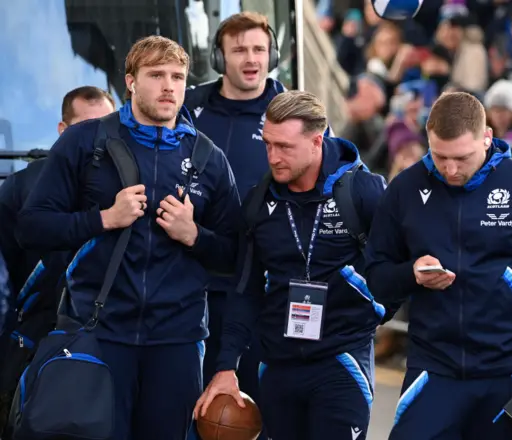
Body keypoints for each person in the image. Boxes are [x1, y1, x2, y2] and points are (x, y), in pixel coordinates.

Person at [16, 35, 242, 440]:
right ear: (131, 81)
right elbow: (32, 226)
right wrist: (103, 218)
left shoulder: (209, 159)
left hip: (178, 341)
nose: (169, 86)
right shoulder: (86, 143)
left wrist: (195, 236)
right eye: (156, 75)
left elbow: (236, 257)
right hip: (98, 333)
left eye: (177, 76)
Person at [364, 92, 512, 439]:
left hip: (510, 374)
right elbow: (374, 278)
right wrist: (411, 274)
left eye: (462, 158)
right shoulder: (405, 188)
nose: (450, 169)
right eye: (439, 156)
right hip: (433, 371)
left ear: (487, 138)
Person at [194, 90, 388, 440]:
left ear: (316, 142)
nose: (273, 156)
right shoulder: (258, 202)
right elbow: (245, 289)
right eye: (268, 144)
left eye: (284, 147)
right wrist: (226, 367)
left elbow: (399, 267)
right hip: (277, 364)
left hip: (341, 362)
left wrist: (374, 308)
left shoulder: (364, 192)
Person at [183, 11, 288, 416]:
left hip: (260, 288)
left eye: (259, 49)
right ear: (219, 57)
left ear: (272, 56)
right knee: (193, 409)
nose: (251, 58)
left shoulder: (290, 111)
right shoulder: (189, 108)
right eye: (239, 49)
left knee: (252, 413)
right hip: (192, 283)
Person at [0, 86, 115, 298]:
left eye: (107, 128)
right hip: (38, 324)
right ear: (63, 130)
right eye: (86, 128)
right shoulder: (20, 187)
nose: (99, 139)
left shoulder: (133, 187)